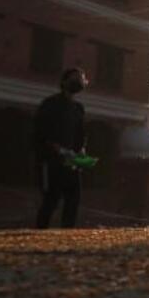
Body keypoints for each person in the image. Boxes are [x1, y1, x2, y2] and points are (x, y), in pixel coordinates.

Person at [33, 68, 88, 229]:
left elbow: (81, 134)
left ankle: (66, 232)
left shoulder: (78, 108)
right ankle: (40, 232)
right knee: (51, 199)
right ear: (64, 82)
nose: (79, 81)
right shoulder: (50, 104)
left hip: (72, 161)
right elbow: (40, 131)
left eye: (81, 78)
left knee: (73, 199)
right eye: (75, 78)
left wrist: (81, 151)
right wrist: (55, 147)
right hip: (53, 161)